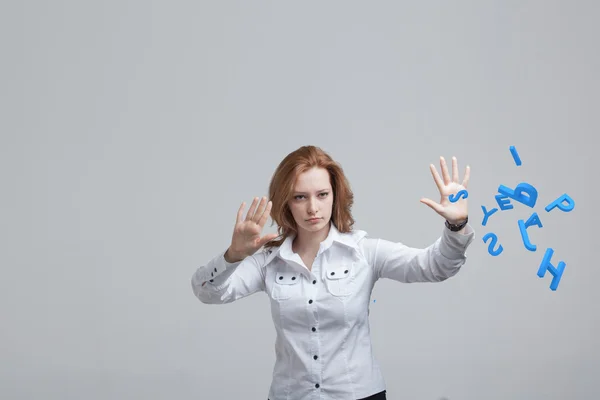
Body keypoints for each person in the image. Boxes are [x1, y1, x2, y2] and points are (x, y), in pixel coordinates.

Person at [191, 145, 475, 400]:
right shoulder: (268, 261)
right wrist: (234, 256)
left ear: (334, 196)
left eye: (322, 195)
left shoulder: (364, 251)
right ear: (286, 203)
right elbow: (207, 292)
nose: (313, 208)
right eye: (300, 197)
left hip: (359, 395)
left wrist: (456, 225)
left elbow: (435, 266)